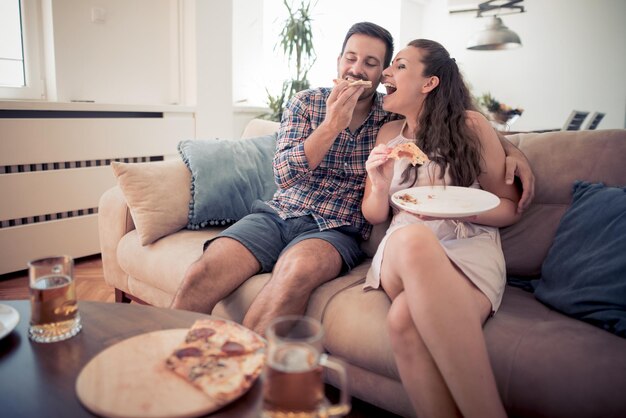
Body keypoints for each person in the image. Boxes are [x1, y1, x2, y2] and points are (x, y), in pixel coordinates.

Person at [171, 22, 534, 337]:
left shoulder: (389, 115)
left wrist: (516, 153)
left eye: (371, 63)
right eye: (351, 58)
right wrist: (331, 126)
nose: (357, 69)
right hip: (279, 213)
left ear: (383, 74)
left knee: (295, 272)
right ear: (339, 61)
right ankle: (160, 364)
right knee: (201, 274)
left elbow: (453, 122)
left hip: (335, 229)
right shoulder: (307, 103)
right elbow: (282, 174)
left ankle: (239, 378)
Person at [362, 38, 520, 417]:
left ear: (429, 83)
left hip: (468, 245)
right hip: (404, 248)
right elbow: (374, 214)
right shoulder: (388, 136)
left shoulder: (471, 127)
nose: (386, 72)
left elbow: (510, 208)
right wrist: (380, 184)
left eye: (399, 66)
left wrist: (459, 208)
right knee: (414, 237)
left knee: (404, 320)